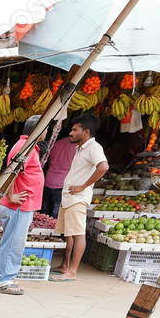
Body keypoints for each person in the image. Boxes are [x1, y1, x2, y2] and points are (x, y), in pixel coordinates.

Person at [49, 115, 108, 282]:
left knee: (78, 234)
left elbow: (103, 167)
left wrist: (83, 186)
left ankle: (72, 271)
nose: (71, 133)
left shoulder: (94, 148)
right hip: (69, 197)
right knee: (69, 234)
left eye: (75, 130)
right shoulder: (81, 148)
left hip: (78, 198)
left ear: (86, 132)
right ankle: (65, 266)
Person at [0, 133, 44, 296]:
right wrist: (11, 195)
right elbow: (12, 171)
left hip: (21, 205)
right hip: (19, 205)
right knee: (14, 243)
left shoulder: (27, 146)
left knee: (9, 241)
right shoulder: (24, 147)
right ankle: (4, 280)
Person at [40, 129, 76, 217]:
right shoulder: (77, 147)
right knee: (56, 213)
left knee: (44, 212)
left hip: (48, 180)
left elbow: (48, 160)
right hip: (62, 183)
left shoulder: (56, 144)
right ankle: (51, 231)